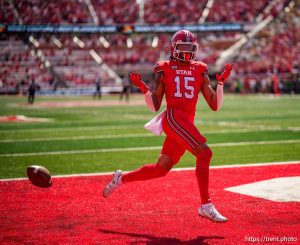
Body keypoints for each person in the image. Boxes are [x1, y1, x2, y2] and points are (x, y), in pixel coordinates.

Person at [103, 30, 233, 223]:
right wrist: (144, 89)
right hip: (174, 117)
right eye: (183, 48)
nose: (187, 52)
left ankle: (120, 178)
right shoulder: (164, 68)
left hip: (185, 122)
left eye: (190, 48)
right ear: (174, 48)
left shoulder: (200, 69)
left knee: (160, 169)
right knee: (205, 153)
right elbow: (155, 105)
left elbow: (214, 105)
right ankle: (205, 205)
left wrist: (220, 84)